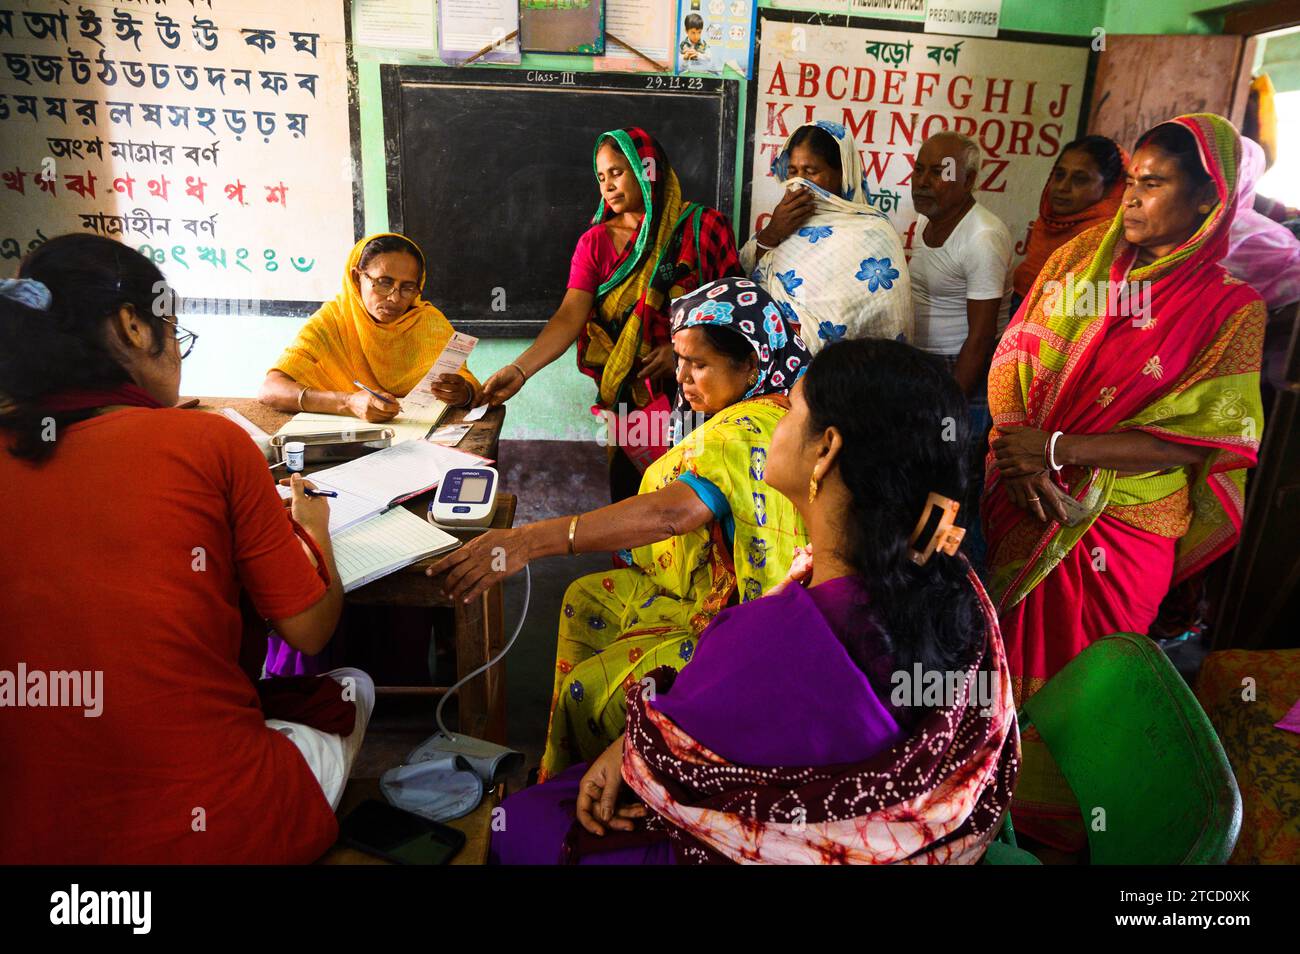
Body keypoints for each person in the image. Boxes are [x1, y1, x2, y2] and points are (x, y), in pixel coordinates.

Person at [490, 339, 1019, 865]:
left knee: (520, 823)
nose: (772, 420)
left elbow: (674, 759)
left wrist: (632, 750)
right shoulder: (958, 590)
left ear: (826, 449)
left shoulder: (766, 638)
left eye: (789, 409)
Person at [0, 235, 373, 863]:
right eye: (174, 329)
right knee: (353, 687)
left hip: (29, 834)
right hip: (216, 826)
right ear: (132, 327)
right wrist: (312, 528)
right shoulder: (211, 443)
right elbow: (309, 630)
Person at [983, 114, 1266, 850]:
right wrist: (1016, 450)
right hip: (1022, 491)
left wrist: (1054, 447)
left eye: (1152, 183)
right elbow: (1017, 347)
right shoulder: (1081, 257)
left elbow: (1201, 435)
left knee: (1088, 686)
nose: (1132, 199)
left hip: (1120, 525)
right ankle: (988, 802)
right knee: (1001, 663)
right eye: (1131, 182)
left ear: (1210, 200)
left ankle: (1070, 826)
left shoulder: (1232, 309)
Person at [431, 280, 809, 780]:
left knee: (586, 691)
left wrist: (528, 540)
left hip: (746, 618)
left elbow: (670, 515)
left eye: (700, 364)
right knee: (586, 598)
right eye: (679, 359)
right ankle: (578, 772)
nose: (683, 377)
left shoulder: (741, 433)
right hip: (721, 585)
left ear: (753, 366)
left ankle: (614, 780)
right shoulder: (763, 413)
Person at [478, 128, 742, 502]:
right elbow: (571, 314)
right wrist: (520, 371)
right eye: (601, 177)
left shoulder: (705, 227)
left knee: (697, 493)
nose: (607, 185)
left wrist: (683, 353)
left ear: (647, 169)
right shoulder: (596, 242)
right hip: (630, 392)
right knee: (633, 494)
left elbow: (734, 308)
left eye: (617, 172)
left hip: (702, 390)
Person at [909, 131, 1014, 568]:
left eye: (939, 172)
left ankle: (961, 593)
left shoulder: (982, 236)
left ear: (968, 179)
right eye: (920, 169)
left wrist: (948, 404)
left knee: (954, 490)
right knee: (924, 483)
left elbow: (981, 335)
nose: (923, 181)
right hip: (927, 370)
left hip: (962, 376)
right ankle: (924, 572)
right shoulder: (930, 221)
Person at [259, 232, 479, 423]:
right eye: (384, 282)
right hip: (344, 437)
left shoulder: (429, 323)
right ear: (357, 277)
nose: (394, 298)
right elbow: (271, 389)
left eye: (407, 287)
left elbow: (467, 383)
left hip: (417, 437)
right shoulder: (333, 320)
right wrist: (348, 402)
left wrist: (462, 393)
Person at [740, 121, 912, 354]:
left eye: (810, 172)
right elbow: (744, 279)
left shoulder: (873, 232)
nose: (799, 182)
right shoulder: (782, 223)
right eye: (792, 171)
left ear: (842, 173)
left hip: (843, 376)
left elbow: (872, 319)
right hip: (773, 370)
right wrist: (772, 233)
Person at [1010, 135, 1128, 318]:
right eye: (1059, 175)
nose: (1063, 187)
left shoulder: (1110, 239)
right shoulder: (1048, 222)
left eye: (1080, 179)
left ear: (1108, 188)